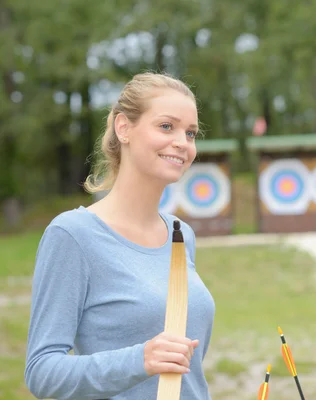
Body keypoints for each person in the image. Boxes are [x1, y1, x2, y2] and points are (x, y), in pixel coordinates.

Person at [24, 72, 215, 399]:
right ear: (123, 127)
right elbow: (42, 372)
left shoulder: (181, 235)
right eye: (166, 126)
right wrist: (140, 360)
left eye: (191, 133)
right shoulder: (72, 235)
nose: (183, 142)